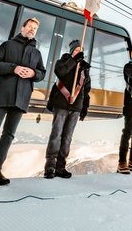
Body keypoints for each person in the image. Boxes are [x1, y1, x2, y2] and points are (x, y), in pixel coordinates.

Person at [0, 17, 45, 188]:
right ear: (22, 28)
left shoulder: (37, 53)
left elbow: (41, 73)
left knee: (9, 135)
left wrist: (33, 74)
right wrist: (14, 68)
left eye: (35, 29)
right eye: (29, 27)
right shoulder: (7, 45)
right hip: (2, 96)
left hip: (21, 99)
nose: (32, 30)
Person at [43, 39, 90, 179]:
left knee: (67, 137)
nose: (78, 52)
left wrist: (84, 107)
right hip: (61, 103)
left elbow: (86, 90)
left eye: (80, 50)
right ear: (71, 52)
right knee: (56, 135)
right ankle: (50, 167)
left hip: (76, 106)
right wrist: (74, 60)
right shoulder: (62, 62)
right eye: (76, 50)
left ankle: (61, 167)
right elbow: (61, 72)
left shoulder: (84, 68)